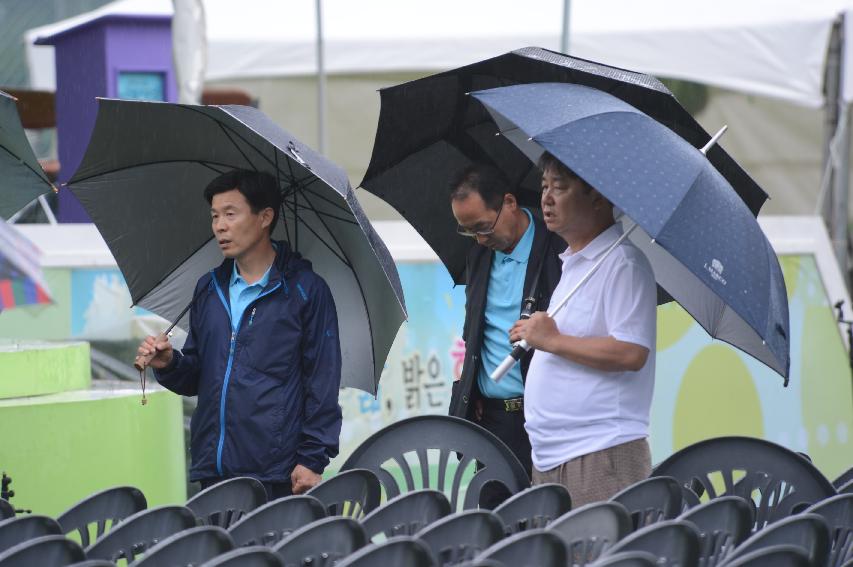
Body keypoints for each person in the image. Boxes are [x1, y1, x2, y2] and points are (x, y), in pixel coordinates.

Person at [137, 169, 342, 499]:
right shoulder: (209, 288)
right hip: (213, 469)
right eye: (215, 216)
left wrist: (312, 459)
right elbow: (197, 376)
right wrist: (169, 362)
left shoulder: (305, 292)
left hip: (278, 473)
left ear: (265, 217)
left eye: (231, 214)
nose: (220, 226)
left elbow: (322, 380)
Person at [510, 152, 657, 507]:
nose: (545, 197)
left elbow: (631, 352)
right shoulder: (575, 265)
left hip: (600, 454)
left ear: (598, 195)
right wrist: (542, 334)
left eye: (559, 187)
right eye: (544, 186)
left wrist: (553, 340)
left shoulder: (623, 263)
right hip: (552, 458)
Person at [447, 164, 562, 503]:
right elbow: (475, 331)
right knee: (495, 530)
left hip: (544, 415)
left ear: (509, 203)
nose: (481, 239)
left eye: (483, 227)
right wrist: (473, 385)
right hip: (492, 421)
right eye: (468, 232)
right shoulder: (478, 256)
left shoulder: (557, 249)